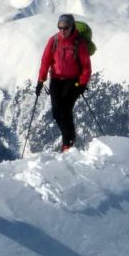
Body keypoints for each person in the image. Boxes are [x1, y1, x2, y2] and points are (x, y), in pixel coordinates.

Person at [37, 13, 92, 152]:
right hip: (56, 80)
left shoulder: (79, 43)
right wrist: (40, 80)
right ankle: (69, 138)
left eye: (65, 27)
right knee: (56, 112)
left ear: (71, 26)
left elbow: (86, 66)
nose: (62, 30)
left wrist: (82, 84)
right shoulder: (54, 40)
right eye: (60, 27)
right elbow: (45, 61)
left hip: (72, 82)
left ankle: (68, 142)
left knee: (66, 110)